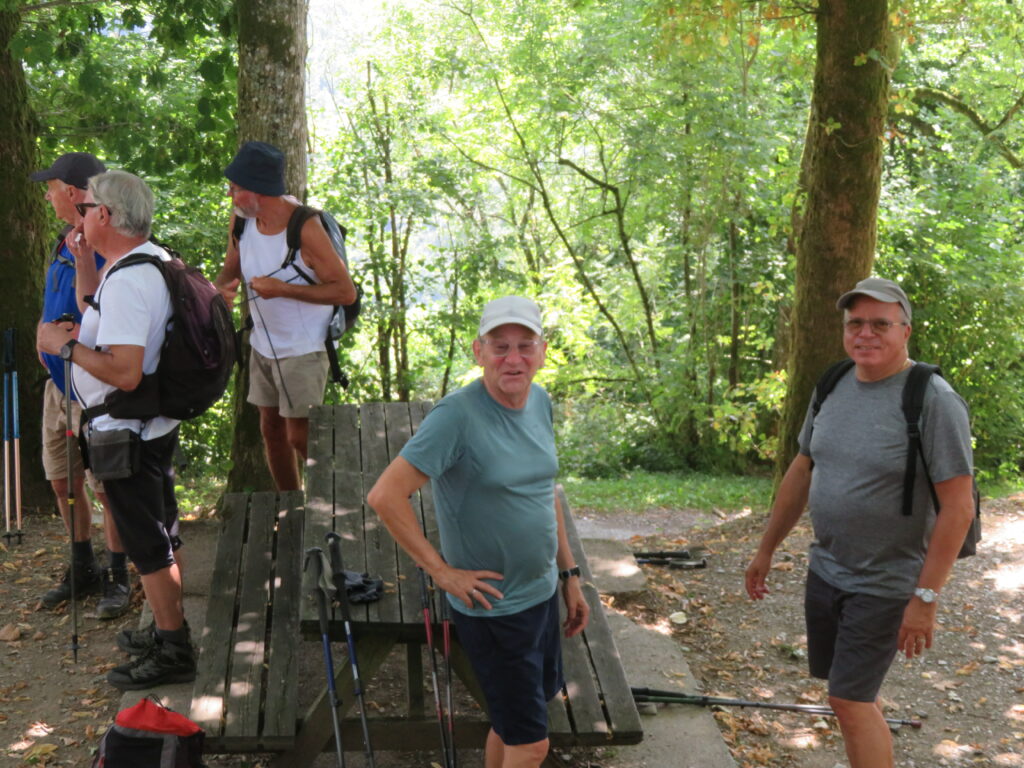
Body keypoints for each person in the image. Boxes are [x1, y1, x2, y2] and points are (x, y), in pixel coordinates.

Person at [744, 277, 976, 768]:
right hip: (827, 570)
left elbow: (959, 507)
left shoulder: (933, 400)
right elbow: (802, 468)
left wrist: (926, 598)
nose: (865, 333)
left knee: (847, 700)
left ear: (905, 331)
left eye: (880, 324)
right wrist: (766, 549)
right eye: (855, 323)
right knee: (853, 694)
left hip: (887, 581)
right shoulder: (832, 383)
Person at [368, 296, 590, 768]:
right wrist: (442, 572)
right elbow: (385, 496)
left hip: (541, 596)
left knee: (511, 725)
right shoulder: (457, 416)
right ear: (479, 351)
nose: (514, 358)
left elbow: (544, 491)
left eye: (525, 345)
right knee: (532, 746)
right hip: (495, 609)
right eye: (500, 346)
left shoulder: (540, 401)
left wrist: (569, 575)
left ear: (542, 351)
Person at [37, 170, 194, 689]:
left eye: (86, 209)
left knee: (148, 546)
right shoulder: (146, 261)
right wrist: (85, 262)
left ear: (103, 214)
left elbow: (125, 372)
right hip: (149, 424)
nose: (80, 217)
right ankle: (168, 629)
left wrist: (63, 347)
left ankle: (174, 647)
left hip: (127, 431)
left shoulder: (129, 280)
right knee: (161, 532)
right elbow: (95, 311)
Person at [214, 141, 356, 491]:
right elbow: (230, 270)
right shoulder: (242, 220)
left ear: (259, 190)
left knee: (300, 436)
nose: (230, 195)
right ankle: (291, 505)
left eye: (235, 188)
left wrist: (283, 289)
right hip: (263, 344)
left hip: (305, 348)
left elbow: (345, 292)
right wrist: (217, 296)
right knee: (271, 430)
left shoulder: (305, 228)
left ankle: (335, 501)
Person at [30, 152, 132, 619]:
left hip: (93, 388)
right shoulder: (63, 241)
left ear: (72, 191)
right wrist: (43, 330)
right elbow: (55, 298)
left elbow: (108, 313)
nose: (47, 197)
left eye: (51, 188)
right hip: (57, 385)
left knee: (106, 485)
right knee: (61, 479)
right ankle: (82, 567)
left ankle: (118, 573)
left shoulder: (108, 243)